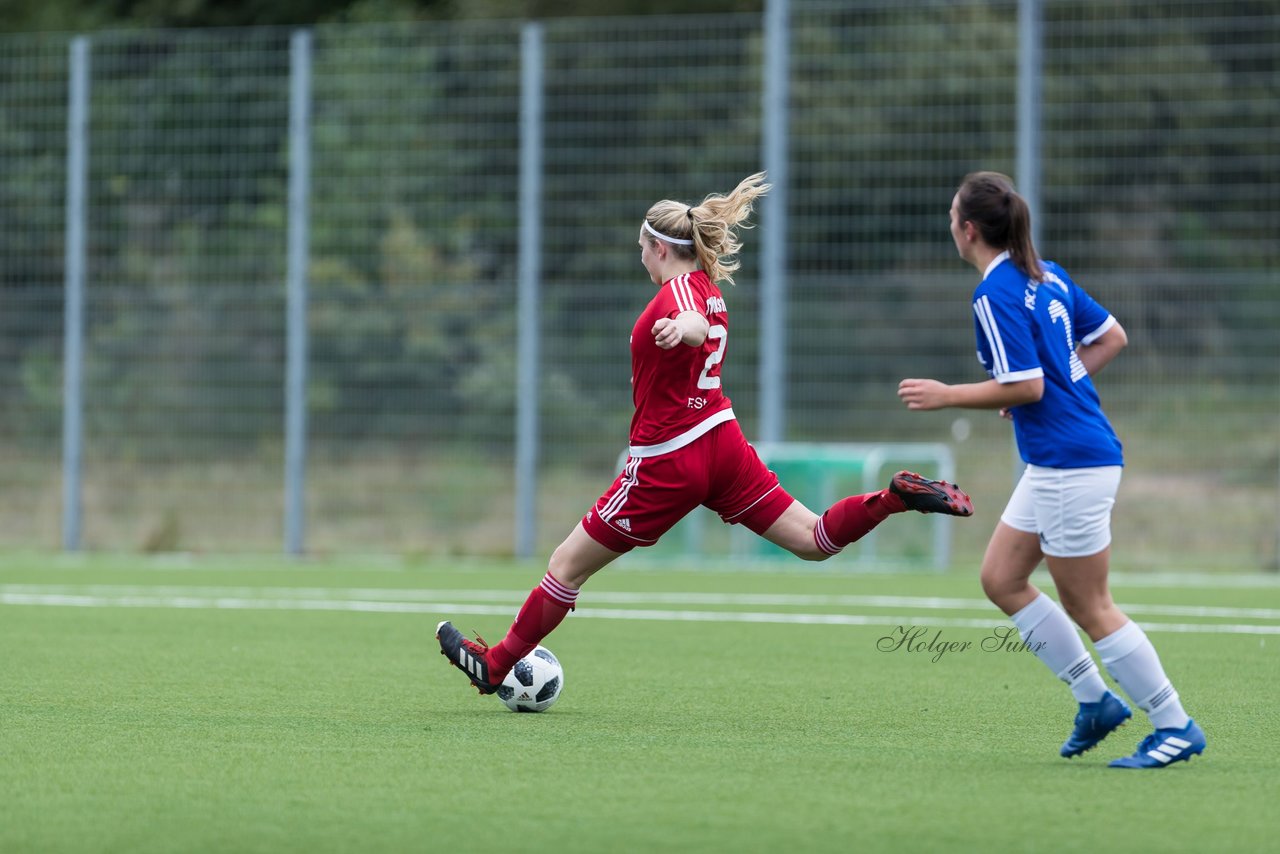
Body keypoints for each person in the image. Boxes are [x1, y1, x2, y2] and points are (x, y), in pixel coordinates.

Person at [437, 172, 972, 698]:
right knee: (813, 540)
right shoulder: (709, 290)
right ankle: (892, 498)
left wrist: (680, 329)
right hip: (722, 443)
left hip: (670, 460)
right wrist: (686, 326)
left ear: (659, 248)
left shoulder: (681, 298)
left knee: (565, 566)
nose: (640, 258)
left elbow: (689, 321)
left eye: (641, 249)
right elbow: (697, 315)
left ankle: (496, 664)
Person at [897, 171, 1205, 769]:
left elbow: (1029, 385)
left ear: (967, 230)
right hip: (1061, 459)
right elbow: (1112, 337)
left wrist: (947, 394)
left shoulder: (995, 292)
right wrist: (1058, 388)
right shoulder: (1047, 274)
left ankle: (1174, 723)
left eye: (952, 218)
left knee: (1090, 604)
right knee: (1001, 579)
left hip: (1072, 463)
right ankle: (1095, 701)